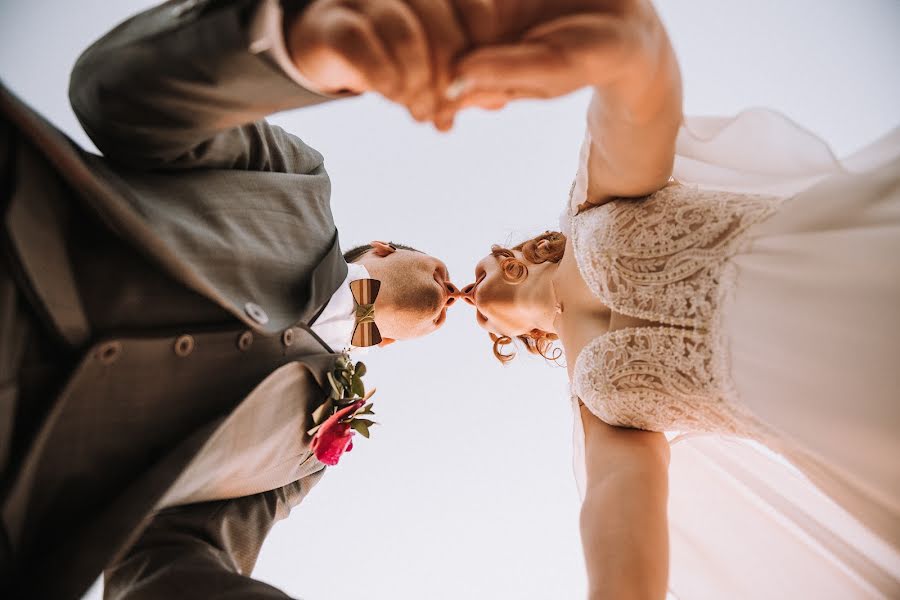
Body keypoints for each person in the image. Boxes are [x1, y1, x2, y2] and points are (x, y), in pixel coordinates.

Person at [0, 0, 472, 597]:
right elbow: (118, 98)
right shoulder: (297, 183)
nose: (454, 293)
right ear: (381, 248)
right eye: (440, 264)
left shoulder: (304, 466)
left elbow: (165, 559)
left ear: (410, 343)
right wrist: (297, 44)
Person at [457, 0, 900, 598]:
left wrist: (624, 51)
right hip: (831, 417)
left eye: (477, 268)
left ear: (509, 255)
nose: (472, 296)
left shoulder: (592, 204)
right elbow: (617, 507)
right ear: (508, 342)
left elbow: (636, 117)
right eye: (485, 328)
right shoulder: (592, 405)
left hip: (840, 270)